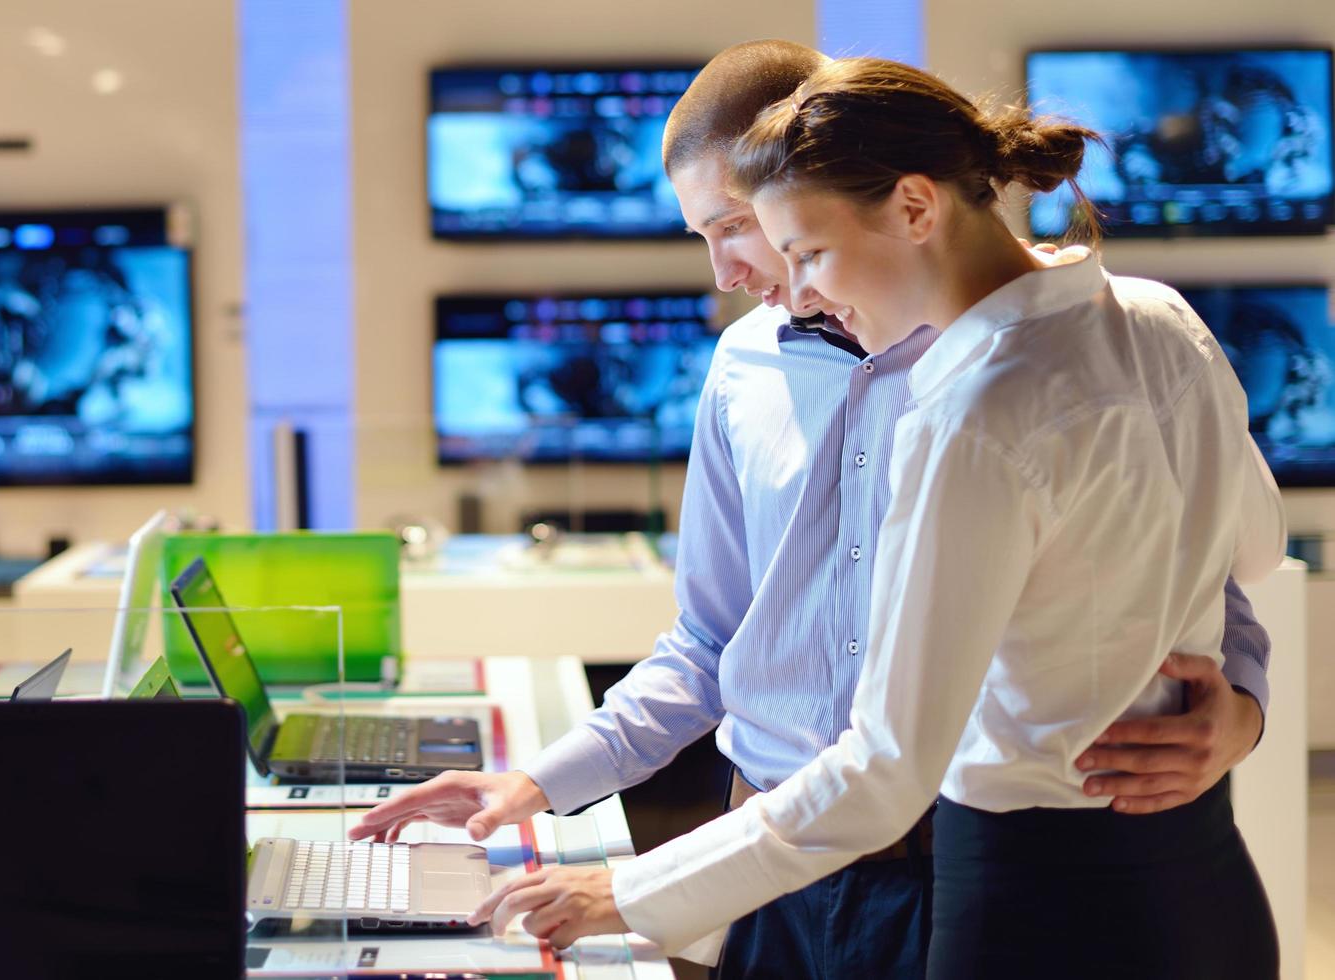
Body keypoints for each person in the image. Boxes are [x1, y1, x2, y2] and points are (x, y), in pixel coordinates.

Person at [353, 44, 1278, 977]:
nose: (738, 274)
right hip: (778, 871)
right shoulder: (756, 366)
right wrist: (542, 782)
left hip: (959, 866)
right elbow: (714, 639)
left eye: (758, 231)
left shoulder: (983, 393)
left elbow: (1201, 578)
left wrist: (1242, 702)